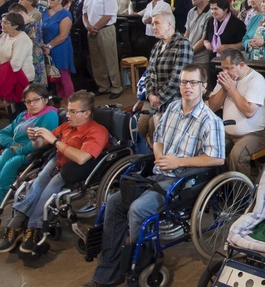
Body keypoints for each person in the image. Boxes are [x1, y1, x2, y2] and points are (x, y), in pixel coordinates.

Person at [84, 65, 225, 287]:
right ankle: (108, 271)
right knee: (113, 203)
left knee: (139, 209)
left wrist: (178, 162)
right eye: (184, 82)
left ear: (203, 87)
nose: (187, 87)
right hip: (158, 175)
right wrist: (158, 156)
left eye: (193, 83)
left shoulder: (210, 121)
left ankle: (138, 267)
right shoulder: (172, 109)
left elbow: (217, 159)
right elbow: (157, 138)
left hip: (183, 182)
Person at [1, 91, 108, 255]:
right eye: (68, 110)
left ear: (87, 113)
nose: (68, 115)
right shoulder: (67, 126)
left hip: (73, 168)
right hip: (56, 161)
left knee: (46, 195)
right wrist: (35, 138)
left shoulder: (97, 131)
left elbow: (81, 158)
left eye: (73, 111)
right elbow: (41, 144)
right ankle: (17, 223)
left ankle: (33, 228)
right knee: (35, 186)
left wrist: (55, 141)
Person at [208, 49, 265, 179]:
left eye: (229, 68)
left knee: (237, 155)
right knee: (212, 149)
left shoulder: (256, 80)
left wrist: (231, 88)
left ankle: (242, 197)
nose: (225, 72)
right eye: (223, 68)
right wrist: (224, 89)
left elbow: (249, 111)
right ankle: (220, 192)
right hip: (228, 133)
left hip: (255, 134)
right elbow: (212, 107)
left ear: (241, 65)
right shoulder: (226, 79)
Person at [0, 86, 58, 206]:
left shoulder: (49, 115)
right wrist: (13, 144)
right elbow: (3, 133)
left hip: (33, 154)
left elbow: (44, 141)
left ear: (45, 100)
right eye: (28, 101)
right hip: (14, 149)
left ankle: (3, 198)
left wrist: (20, 149)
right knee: (3, 159)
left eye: (36, 100)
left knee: (9, 167)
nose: (32, 104)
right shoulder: (23, 116)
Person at [144, 11, 193, 130]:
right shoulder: (157, 46)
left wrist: (159, 99)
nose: (153, 27)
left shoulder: (182, 44)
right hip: (156, 104)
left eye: (157, 23)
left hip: (174, 104)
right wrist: (150, 95)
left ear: (169, 24)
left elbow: (177, 78)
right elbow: (149, 74)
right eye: (152, 24)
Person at [83, 0, 122, 99]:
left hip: (105, 30)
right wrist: (88, 26)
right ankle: (103, 86)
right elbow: (84, 14)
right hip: (91, 30)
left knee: (110, 59)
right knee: (97, 61)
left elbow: (108, 15)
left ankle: (116, 87)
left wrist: (96, 27)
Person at [40, 0, 76, 99]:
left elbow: (63, 35)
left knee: (64, 76)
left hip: (61, 47)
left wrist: (50, 46)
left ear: (60, 0)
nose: (49, 1)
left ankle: (71, 102)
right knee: (55, 77)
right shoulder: (45, 13)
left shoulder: (65, 14)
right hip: (47, 47)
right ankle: (61, 102)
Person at [0, 12, 34, 105]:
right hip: (6, 74)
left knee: (19, 107)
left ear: (15, 26)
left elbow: (16, 64)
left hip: (21, 77)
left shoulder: (22, 40)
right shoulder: (5, 35)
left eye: (6, 23)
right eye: (2, 22)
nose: (2, 24)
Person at [183, 0, 211, 72]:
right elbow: (187, 32)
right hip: (189, 57)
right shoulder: (192, 11)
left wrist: (189, 52)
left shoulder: (210, 13)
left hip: (202, 59)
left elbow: (204, 39)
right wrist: (183, 48)